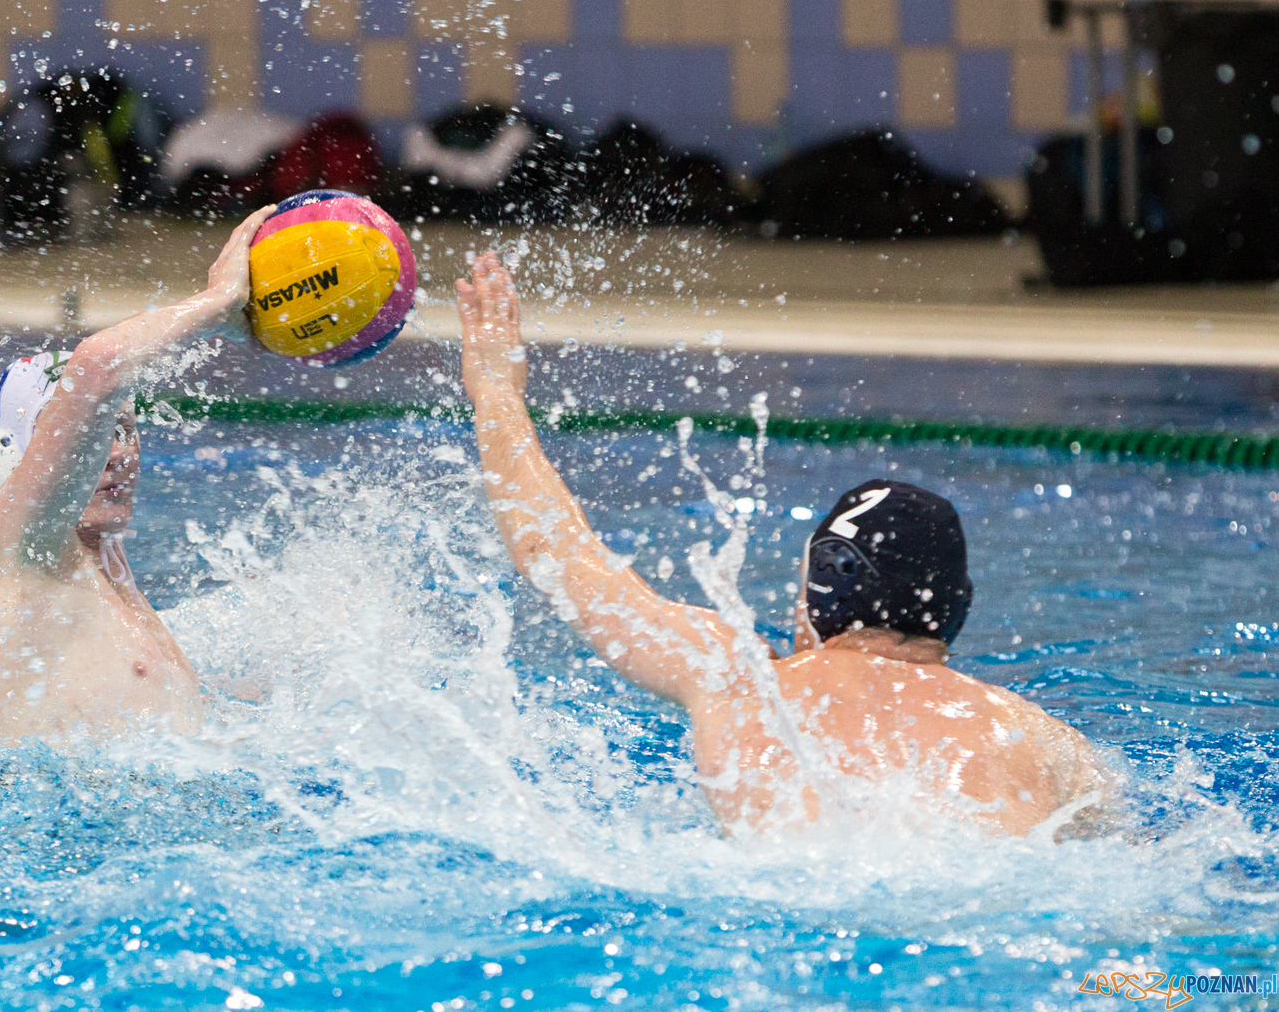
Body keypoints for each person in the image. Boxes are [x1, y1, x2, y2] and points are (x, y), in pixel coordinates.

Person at [455, 251, 1108, 837]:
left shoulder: (737, 676)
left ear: (828, 584)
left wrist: (495, 392)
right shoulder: (1051, 745)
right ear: (954, 606)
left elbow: (567, 562)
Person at [0, 206, 274, 744]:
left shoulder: (100, 565)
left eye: (125, 428)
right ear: (16, 461)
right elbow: (99, 364)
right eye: (93, 436)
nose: (118, 453)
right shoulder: (22, 555)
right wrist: (218, 304)